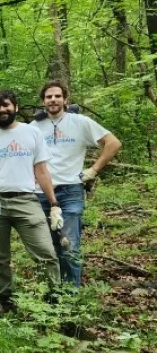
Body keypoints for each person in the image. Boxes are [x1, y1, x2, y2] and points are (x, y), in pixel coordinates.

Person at [0, 89, 62, 310]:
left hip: (26, 201)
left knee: (46, 253)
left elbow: (42, 171)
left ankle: (55, 301)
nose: (2, 110)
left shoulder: (32, 133)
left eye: (6, 105)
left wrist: (54, 204)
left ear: (16, 107)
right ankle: (6, 300)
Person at [32, 80, 122, 287]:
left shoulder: (80, 122)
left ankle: (71, 294)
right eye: (48, 97)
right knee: (47, 246)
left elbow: (113, 143)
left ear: (65, 99)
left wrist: (93, 170)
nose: (53, 100)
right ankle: (52, 292)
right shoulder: (35, 127)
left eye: (57, 96)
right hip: (41, 192)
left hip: (71, 190)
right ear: (43, 101)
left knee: (69, 244)